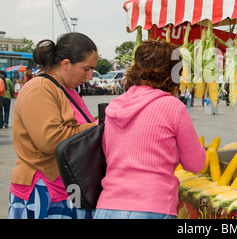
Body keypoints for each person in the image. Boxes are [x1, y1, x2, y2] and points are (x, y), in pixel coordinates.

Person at [94, 40, 206, 219]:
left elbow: (111, 154)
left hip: (107, 207)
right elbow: (195, 164)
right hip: (152, 207)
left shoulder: (114, 106)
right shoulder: (172, 106)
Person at [8, 33, 99, 219]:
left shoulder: (64, 88)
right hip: (42, 188)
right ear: (65, 64)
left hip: (63, 187)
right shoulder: (40, 88)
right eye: (86, 69)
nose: (89, 76)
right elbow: (50, 140)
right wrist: (96, 126)